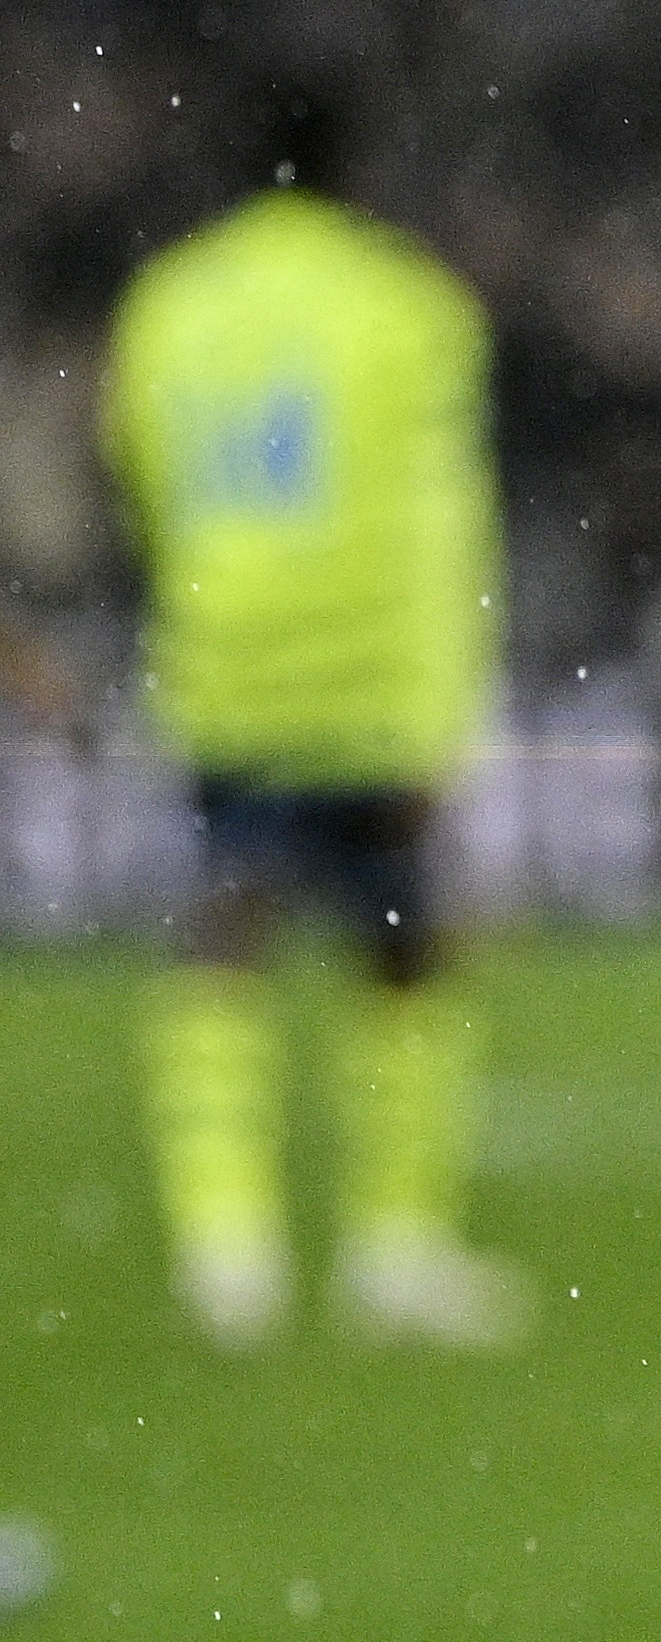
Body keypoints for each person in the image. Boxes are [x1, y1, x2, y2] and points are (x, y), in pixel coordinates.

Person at [104, 79, 522, 1350]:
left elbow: (146, 475)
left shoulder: (171, 301)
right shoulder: (406, 306)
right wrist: (446, 708)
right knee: (403, 951)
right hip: (366, 680)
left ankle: (227, 1249)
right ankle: (394, 1245)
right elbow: (442, 523)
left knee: (223, 934)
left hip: (224, 659)